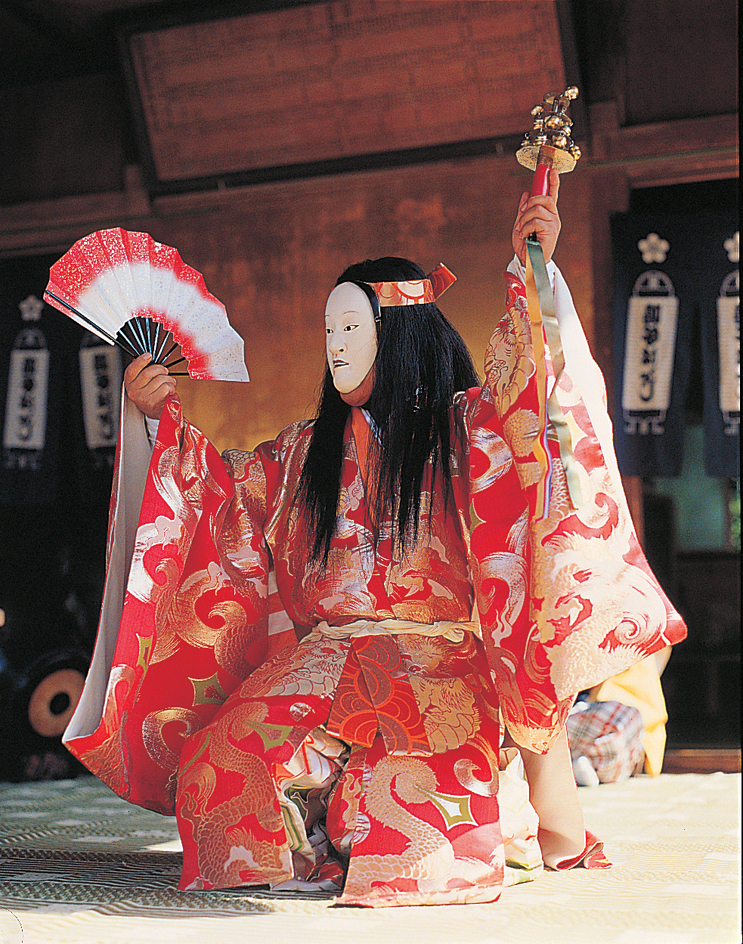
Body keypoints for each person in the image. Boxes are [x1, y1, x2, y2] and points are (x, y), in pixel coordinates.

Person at [63, 173, 686, 907]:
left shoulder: (464, 431)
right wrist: (156, 420)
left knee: (400, 806)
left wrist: (534, 271)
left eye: (351, 329)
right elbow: (217, 499)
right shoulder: (304, 452)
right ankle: (326, 813)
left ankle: (476, 804)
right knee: (219, 765)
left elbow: (531, 396)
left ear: (399, 336)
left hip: (437, 664)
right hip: (319, 663)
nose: (336, 347)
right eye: (330, 331)